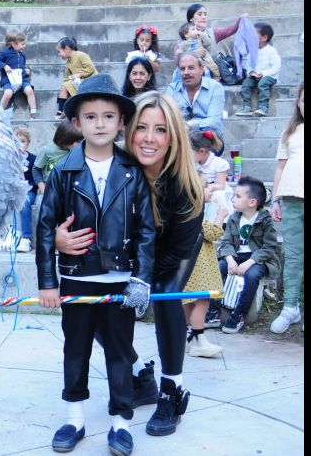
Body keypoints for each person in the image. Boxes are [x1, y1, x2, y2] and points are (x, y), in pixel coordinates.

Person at [55, 90, 204, 437]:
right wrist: (59, 238)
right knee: (100, 300)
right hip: (125, 253)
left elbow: (175, 250)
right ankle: (139, 376)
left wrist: (140, 276)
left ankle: (172, 389)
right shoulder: (113, 165)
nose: (150, 138)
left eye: (161, 130)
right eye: (142, 128)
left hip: (172, 253)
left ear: (173, 137)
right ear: (129, 129)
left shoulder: (185, 185)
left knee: (165, 293)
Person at [37, 74, 156, 456]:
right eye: (91, 117)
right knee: (76, 349)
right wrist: (48, 281)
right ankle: (74, 418)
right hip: (77, 277)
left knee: (120, 352)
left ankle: (121, 422)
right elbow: (45, 228)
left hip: (120, 279)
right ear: (77, 123)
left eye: (108, 116)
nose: (100, 124)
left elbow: (146, 231)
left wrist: (141, 279)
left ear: (121, 122)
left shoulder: (133, 170)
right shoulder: (63, 172)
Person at [217, 176, 279, 334]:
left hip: (258, 259)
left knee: (251, 276)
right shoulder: (233, 218)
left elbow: (269, 247)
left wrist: (250, 261)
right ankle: (213, 311)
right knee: (218, 268)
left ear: (252, 202)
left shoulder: (265, 220)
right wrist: (230, 260)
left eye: (238, 196)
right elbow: (226, 242)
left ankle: (239, 315)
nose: (233, 199)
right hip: (235, 256)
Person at [269, 82, 303, 334]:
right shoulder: (290, 132)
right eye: (303, 100)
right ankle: (291, 307)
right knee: (293, 256)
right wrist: (275, 200)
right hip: (291, 200)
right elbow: (280, 167)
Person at [182, 173, 227, 357]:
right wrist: (221, 215)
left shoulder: (184, 213)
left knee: (188, 302)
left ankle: (181, 337)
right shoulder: (196, 216)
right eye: (207, 186)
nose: (211, 189)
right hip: (199, 271)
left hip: (188, 270)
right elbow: (214, 233)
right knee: (202, 301)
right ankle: (198, 339)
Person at [0, 126, 37, 252]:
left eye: (23, 141)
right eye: (16, 141)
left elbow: (35, 178)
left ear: (28, 143)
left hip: (27, 190)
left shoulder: (33, 159)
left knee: (25, 203)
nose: (19, 144)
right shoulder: (8, 158)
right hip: (10, 190)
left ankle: (26, 238)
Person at [166, 52, 226, 154]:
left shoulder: (215, 88)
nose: (186, 72)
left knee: (206, 134)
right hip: (182, 138)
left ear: (202, 69)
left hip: (209, 139)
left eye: (191, 68)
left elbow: (214, 122)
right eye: (182, 69)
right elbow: (169, 119)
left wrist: (189, 125)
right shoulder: (172, 89)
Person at [173, 3, 249, 65]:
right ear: (191, 19)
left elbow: (230, 30)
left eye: (205, 14)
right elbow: (177, 61)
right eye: (200, 14)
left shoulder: (213, 32)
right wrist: (192, 54)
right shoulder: (183, 38)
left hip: (211, 73)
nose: (204, 17)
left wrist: (240, 19)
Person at [235, 22, 281, 117]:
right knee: (246, 83)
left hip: (269, 76)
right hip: (255, 76)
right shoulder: (252, 51)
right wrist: (250, 72)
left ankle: (263, 107)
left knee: (263, 83)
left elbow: (276, 67)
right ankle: (246, 106)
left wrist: (263, 73)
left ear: (264, 38)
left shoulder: (271, 51)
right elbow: (248, 64)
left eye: (254, 35)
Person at [0, 29, 38, 118]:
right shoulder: (5, 53)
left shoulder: (22, 55)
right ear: (13, 44)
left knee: (29, 90)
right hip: (8, 80)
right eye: (22, 44)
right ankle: (0, 111)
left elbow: (21, 67)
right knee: (8, 93)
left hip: (22, 79)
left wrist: (25, 71)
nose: (24, 46)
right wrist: (4, 66)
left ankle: (33, 113)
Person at [32, 120, 83, 194]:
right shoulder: (47, 150)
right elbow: (36, 169)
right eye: (78, 141)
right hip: (50, 190)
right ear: (67, 139)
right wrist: (43, 189)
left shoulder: (78, 151)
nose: (80, 144)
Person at [55, 36, 97, 118]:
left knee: (66, 87)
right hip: (78, 82)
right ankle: (61, 111)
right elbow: (67, 77)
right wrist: (63, 85)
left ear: (66, 49)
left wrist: (79, 74)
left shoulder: (81, 55)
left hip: (90, 81)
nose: (59, 54)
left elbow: (90, 68)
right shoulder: (68, 62)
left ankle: (62, 111)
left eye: (59, 51)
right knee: (64, 87)